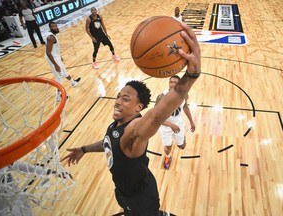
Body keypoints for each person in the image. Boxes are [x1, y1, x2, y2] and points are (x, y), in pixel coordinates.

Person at [61, 22, 201, 215]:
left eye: (125, 99)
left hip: (141, 199)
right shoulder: (118, 126)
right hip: (125, 192)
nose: (118, 101)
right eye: (119, 96)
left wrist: (192, 75)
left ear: (139, 107)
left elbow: (156, 115)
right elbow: (109, 143)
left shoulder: (135, 129)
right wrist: (84, 149)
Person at [155, 75, 195, 169]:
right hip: (165, 125)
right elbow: (155, 117)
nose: (172, 84)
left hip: (178, 123)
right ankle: (167, 157)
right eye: (171, 82)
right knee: (168, 146)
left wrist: (191, 121)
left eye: (175, 82)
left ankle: (181, 140)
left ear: (179, 84)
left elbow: (185, 107)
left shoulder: (184, 95)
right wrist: (170, 125)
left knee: (181, 146)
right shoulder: (161, 97)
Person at [46, 22, 81, 101]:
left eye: (56, 26)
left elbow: (53, 48)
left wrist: (59, 55)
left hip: (56, 56)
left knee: (64, 71)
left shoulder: (53, 35)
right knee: (59, 77)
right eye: (53, 27)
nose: (55, 27)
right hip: (53, 59)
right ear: (50, 28)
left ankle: (73, 82)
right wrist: (55, 64)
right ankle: (59, 97)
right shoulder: (50, 37)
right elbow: (48, 52)